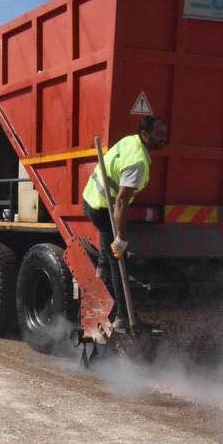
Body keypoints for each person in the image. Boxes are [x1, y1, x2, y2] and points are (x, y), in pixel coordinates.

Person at [82, 115, 169, 329]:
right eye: (159, 134)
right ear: (145, 135)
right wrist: (121, 240)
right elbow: (120, 202)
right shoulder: (137, 161)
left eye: (164, 134)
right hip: (103, 207)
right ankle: (122, 316)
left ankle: (101, 268)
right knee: (118, 260)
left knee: (108, 248)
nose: (163, 138)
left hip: (91, 198)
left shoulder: (131, 141)